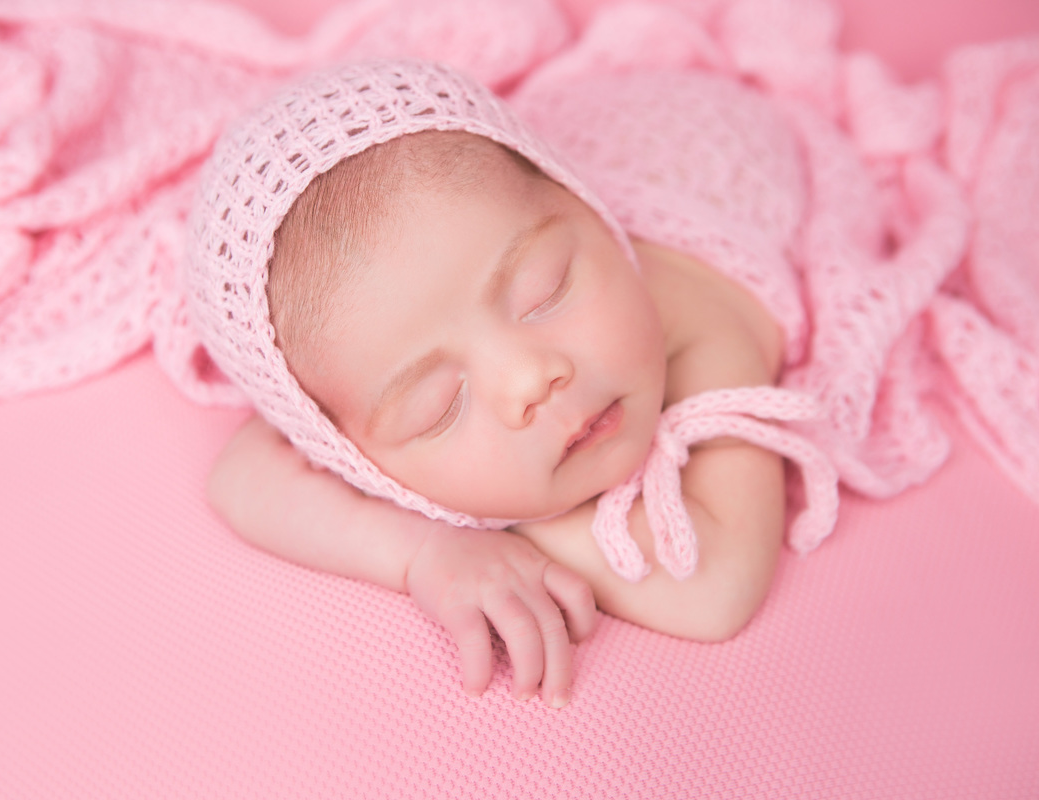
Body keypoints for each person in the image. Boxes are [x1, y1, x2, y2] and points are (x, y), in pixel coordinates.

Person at [185, 59, 836, 710]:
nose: (532, 378)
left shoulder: (700, 329)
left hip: (701, 136)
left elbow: (716, 587)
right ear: (353, 458)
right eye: (439, 407)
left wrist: (490, 523)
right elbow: (238, 473)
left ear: (589, 208)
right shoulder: (369, 355)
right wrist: (424, 551)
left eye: (545, 290)